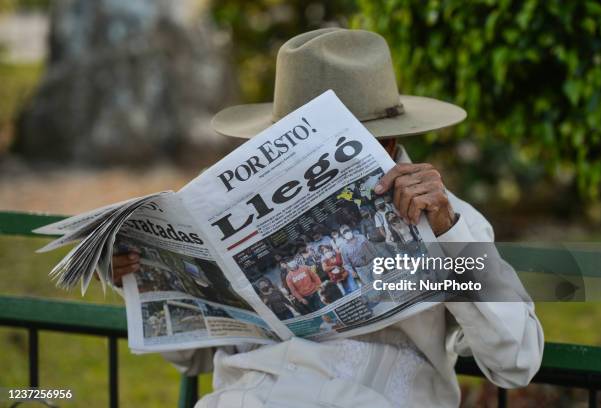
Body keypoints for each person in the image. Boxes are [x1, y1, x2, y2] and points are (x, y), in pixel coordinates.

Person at [112, 28, 543, 408]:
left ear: (388, 143)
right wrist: (144, 278)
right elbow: (197, 357)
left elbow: (516, 360)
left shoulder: (449, 221)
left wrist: (450, 235)